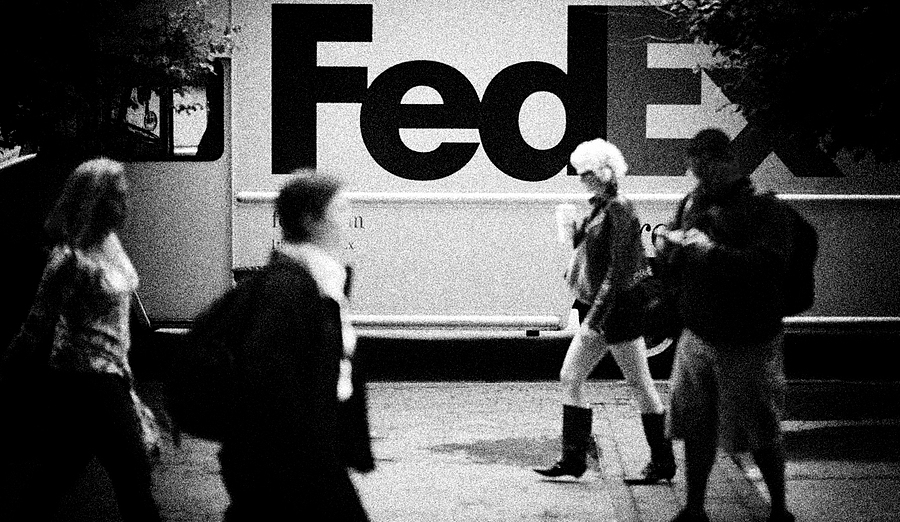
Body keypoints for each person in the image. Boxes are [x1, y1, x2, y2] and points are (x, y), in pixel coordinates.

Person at [0, 158, 162, 521]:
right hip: (85, 379)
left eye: (125, 195)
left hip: (109, 375)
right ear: (95, 200)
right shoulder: (69, 259)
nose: (125, 204)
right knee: (133, 476)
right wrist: (6, 372)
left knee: (56, 475)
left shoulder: (110, 244)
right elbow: (36, 324)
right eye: (116, 197)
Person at [217, 170, 373, 521]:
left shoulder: (317, 280)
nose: (347, 219)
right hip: (293, 462)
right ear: (310, 220)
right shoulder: (290, 287)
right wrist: (306, 447)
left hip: (302, 457)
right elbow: (267, 374)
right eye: (339, 210)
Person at [659, 128, 795, 522]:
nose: (700, 180)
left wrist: (711, 252)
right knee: (695, 426)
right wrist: (668, 245)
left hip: (747, 339)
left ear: (727, 162)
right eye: (695, 171)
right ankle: (694, 509)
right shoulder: (691, 203)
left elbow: (769, 267)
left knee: (759, 428)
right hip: (697, 334)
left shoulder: (764, 208)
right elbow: (675, 264)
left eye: (706, 170)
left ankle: (779, 510)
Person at [534, 138, 676, 485]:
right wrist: (572, 231)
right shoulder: (600, 208)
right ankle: (575, 458)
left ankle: (659, 461)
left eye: (587, 173)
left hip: (618, 311)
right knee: (574, 377)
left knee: (638, 383)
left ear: (604, 172)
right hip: (606, 310)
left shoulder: (619, 209)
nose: (582, 179)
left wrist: (596, 316)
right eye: (580, 173)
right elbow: (592, 256)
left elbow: (620, 268)